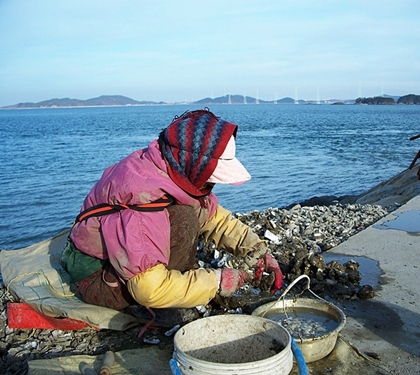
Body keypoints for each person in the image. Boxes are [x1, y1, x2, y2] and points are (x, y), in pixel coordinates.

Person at [61, 109, 283, 313]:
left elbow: (210, 215)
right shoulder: (141, 198)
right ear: (196, 165)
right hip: (95, 276)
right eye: (210, 177)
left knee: (187, 215)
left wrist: (255, 248)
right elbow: (148, 288)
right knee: (185, 221)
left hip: (118, 254)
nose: (210, 185)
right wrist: (214, 282)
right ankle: (154, 308)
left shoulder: (168, 166)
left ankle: (173, 284)